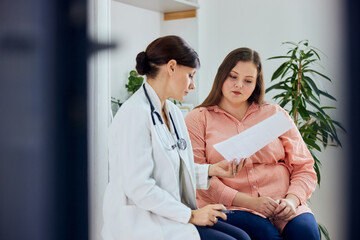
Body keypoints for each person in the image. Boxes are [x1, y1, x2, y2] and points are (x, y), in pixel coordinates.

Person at [101, 36, 251, 240]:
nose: (193, 86)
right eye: (190, 75)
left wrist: (211, 170)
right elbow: (140, 187)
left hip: (169, 215)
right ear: (171, 67)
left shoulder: (171, 111)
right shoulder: (134, 114)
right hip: (143, 223)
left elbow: (171, 168)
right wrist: (191, 215)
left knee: (242, 237)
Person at [185, 47, 321, 240]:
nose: (239, 85)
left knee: (306, 232)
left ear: (256, 84)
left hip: (284, 204)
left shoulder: (274, 114)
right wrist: (251, 203)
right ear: (222, 76)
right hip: (235, 207)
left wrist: (291, 201)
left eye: (248, 80)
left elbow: (304, 167)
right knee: (265, 234)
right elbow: (197, 175)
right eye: (233, 76)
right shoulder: (198, 119)